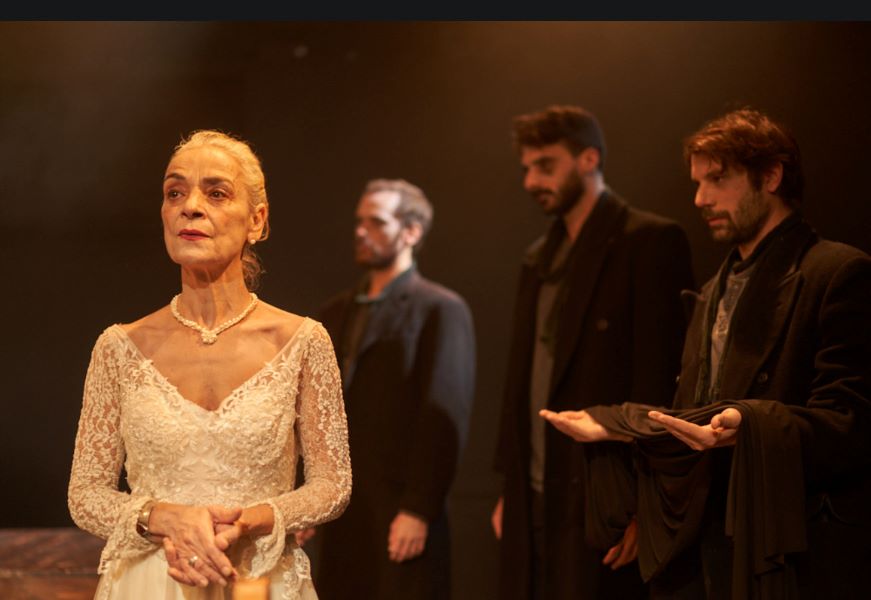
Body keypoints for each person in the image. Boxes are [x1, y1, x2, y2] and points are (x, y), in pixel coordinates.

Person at [542, 108, 871, 599]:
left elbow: (850, 425)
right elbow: (696, 419)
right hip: (709, 544)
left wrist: (747, 423)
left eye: (718, 179)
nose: (700, 198)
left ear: (771, 176)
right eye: (697, 183)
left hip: (788, 547)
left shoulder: (837, 272)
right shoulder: (714, 288)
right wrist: (615, 425)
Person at [67, 130, 352, 600]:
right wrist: (164, 518)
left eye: (216, 193)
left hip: (257, 579)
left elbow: (332, 484)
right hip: (150, 584)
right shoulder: (118, 347)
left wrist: (249, 521)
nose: (190, 207)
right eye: (175, 192)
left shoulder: (303, 341)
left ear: (257, 220)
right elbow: (85, 495)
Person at [492, 105, 695, 600]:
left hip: (604, 488)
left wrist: (649, 502)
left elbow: (664, 378)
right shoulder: (538, 257)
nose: (531, 181)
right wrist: (509, 486)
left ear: (589, 159)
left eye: (545, 165)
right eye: (527, 168)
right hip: (536, 487)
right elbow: (519, 377)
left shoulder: (649, 242)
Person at [312, 179, 475, 600]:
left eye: (377, 222)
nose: (361, 231)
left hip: (401, 507)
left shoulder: (439, 309)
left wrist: (418, 508)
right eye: (359, 221)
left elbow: (444, 415)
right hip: (345, 511)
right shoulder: (335, 311)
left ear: (411, 232)